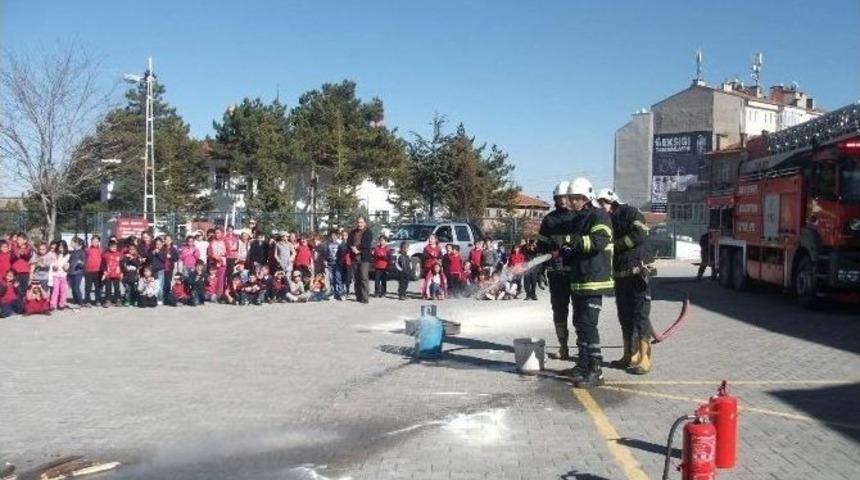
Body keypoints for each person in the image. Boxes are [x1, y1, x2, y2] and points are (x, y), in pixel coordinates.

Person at [597, 188, 656, 375]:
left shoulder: (631, 212)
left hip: (638, 272)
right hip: (621, 275)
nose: (602, 207)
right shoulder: (607, 220)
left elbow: (640, 234)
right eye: (600, 204)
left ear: (613, 200)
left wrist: (616, 245)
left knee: (640, 315)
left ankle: (644, 358)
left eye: (604, 203)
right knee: (624, 316)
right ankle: (628, 354)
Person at [564, 178, 614, 388]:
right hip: (579, 280)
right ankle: (583, 364)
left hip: (594, 279)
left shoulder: (598, 215)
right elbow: (575, 246)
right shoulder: (577, 218)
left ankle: (596, 371)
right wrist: (565, 250)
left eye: (575, 198)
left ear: (586, 198)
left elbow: (599, 242)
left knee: (589, 325)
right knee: (579, 324)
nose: (571, 202)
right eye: (571, 198)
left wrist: (573, 243)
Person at [535, 181, 579, 361]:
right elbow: (541, 246)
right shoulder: (549, 220)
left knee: (580, 312)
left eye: (565, 197)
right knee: (559, 310)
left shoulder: (578, 217)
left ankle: (582, 347)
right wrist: (540, 268)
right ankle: (563, 347)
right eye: (559, 197)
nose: (562, 200)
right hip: (556, 273)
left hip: (576, 272)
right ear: (555, 199)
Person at [349, 216, 373, 304]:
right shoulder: (353, 232)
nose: (359, 224)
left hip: (364, 257)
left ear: (365, 223)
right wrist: (352, 248)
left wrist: (358, 249)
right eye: (358, 222)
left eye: (361, 222)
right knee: (356, 277)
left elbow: (367, 244)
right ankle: (358, 296)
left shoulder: (368, 232)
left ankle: (365, 297)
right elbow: (349, 242)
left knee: (363, 277)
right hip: (354, 257)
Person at [49, 241, 70, 310]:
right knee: (55, 290)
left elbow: (68, 264)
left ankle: (62, 304)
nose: (61, 248)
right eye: (60, 246)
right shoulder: (54, 254)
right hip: (56, 275)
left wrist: (67, 267)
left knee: (63, 290)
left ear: (65, 247)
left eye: (62, 246)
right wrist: (54, 266)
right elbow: (52, 264)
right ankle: (53, 305)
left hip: (63, 275)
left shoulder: (68, 255)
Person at [102, 240, 123, 307]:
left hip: (116, 274)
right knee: (108, 288)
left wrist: (121, 272)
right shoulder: (106, 254)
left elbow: (121, 264)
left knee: (117, 288)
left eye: (115, 247)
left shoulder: (119, 254)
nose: (114, 248)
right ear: (108, 247)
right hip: (108, 274)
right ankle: (108, 300)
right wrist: (104, 272)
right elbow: (103, 264)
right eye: (112, 247)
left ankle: (118, 300)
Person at [84, 236, 103, 306]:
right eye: (94, 241)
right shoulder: (87, 250)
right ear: (91, 241)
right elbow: (84, 259)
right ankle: (87, 301)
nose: (95, 242)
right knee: (88, 287)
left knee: (98, 287)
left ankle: (98, 300)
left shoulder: (101, 250)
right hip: (88, 271)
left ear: (99, 242)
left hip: (98, 271)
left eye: (97, 241)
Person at [335, 230, 353, 300]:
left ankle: (347, 292)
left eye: (345, 235)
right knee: (342, 278)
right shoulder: (340, 244)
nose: (344, 236)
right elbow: (338, 254)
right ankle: (342, 292)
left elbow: (352, 252)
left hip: (349, 262)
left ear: (347, 236)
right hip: (342, 263)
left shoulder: (350, 243)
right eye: (343, 235)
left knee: (348, 278)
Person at [68, 237, 85, 307]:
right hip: (71, 272)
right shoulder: (72, 252)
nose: (70, 243)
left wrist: (80, 263)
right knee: (73, 287)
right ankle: (75, 300)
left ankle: (80, 302)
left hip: (78, 272)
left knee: (76, 287)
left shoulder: (81, 252)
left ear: (76, 243)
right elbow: (70, 261)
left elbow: (83, 263)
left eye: (72, 242)